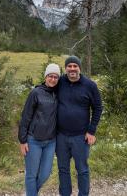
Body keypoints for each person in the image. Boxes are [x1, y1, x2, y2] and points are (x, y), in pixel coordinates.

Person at [56, 56, 103, 196]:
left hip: (80, 137)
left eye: (74, 66)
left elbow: (98, 107)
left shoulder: (90, 85)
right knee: (63, 169)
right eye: (69, 66)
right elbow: (47, 87)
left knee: (82, 169)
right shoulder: (60, 82)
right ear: (65, 69)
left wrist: (91, 131)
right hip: (61, 136)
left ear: (79, 68)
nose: (72, 69)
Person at [18, 63, 61, 196]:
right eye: (50, 76)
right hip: (33, 140)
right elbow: (25, 117)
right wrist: (22, 140)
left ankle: (31, 193)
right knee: (31, 174)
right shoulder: (36, 93)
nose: (53, 79)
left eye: (56, 77)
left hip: (51, 141)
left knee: (45, 174)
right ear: (45, 76)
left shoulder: (58, 93)